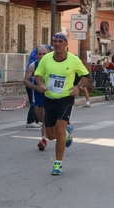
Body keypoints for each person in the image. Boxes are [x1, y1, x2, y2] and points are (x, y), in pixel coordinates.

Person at [34, 32, 89, 175]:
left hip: (66, 98)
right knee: (52, 135)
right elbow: (38, 75)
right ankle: (67, 133)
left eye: (60, 41)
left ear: (66, 44)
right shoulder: (46, 59)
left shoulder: (74, 60)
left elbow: (85, 76)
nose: (57, 44)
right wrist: (40, 84)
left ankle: (58, 164)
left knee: (59, 129)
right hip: (49, 98)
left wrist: (78, 87)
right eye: (55, 41)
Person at [23, 45, 49, 150]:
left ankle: (44, 139)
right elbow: (25, 80)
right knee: (41, 118)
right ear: (37, 55)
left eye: (44, 54)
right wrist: (36, 87)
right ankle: (46, 135)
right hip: (38, 94)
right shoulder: (33, 66)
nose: (42, 56)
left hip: (52, 94)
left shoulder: (54, 65)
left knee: (48, 117)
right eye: (40, 54)